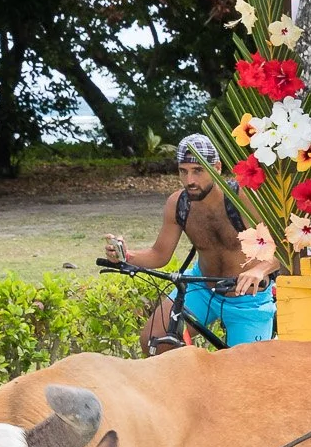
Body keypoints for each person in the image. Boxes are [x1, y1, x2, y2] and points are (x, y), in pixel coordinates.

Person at [104, 135, 278, 344]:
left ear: (217, 167)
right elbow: (159, 255)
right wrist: (126, 256)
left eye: (198, 171)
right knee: (154, 340)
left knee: (243, 373)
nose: (190, 181)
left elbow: (283, 251)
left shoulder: (243, 198)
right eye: (183, 171)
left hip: (247, 299)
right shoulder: (178, 204)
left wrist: (259, 270)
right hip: (202, 288)